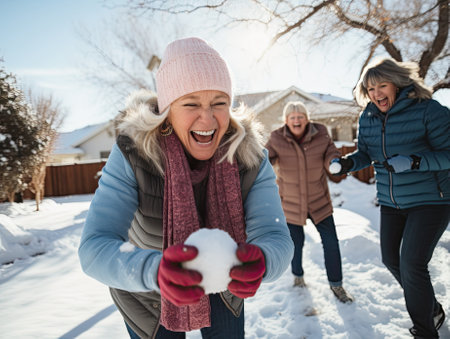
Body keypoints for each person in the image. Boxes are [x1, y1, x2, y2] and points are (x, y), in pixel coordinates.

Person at [78, 37, 294, 339]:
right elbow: (94, 247)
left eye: (219, 103)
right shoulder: (134, 151)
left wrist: (263, 259)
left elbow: (275, 235)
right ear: (167, 110)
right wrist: (155, 271)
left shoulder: (248, 154)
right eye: (191, 103)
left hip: (224, 282)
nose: (207, 118)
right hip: (148, 289)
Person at [330, 58, 449, 338]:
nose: (376, 94)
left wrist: (416, 162)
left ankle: (424, 330)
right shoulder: (368, 117)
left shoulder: (428, 110)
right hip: (391, 202)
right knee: (391, 260)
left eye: (382, 85)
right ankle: (431, 308)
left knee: (412, 263)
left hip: (431, 199)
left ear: (398, 83)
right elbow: (366, 154)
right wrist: (348, 163)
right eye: (370, 89)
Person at [265, 101, 354, 303]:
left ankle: (336, 284)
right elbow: (266, 157)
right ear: (286, 120)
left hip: (318, 201)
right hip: (291, 203)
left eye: (300, 117)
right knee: (295, 244)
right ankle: (297, 276)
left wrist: (334, 163)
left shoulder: (320, 133)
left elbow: (330, 152)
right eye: (292, 117)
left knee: (331, 243)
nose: (297, 121)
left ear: (307, 119)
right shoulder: (277, 137)